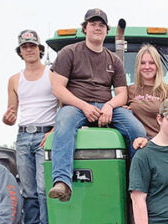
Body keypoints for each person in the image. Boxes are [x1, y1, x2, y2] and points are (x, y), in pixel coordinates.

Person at [48, 8, 146, 202]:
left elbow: (122, 94)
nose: (97, 28)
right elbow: (57, 89)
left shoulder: (114, 60)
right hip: (76, 106)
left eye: (101, 25)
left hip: (105, 105)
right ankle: (62, 182)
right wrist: (84, 106)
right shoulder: (70, 52)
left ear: (106, 30)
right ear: (85, 28)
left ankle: (137, 185)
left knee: (137, 130)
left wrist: (109, 106)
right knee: (64, 122)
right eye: (93, 24)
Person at [3, 29, 57, 224]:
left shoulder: (52, 75)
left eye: (33, 46)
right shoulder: (14, 80)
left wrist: (54, 132)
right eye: (25, 47)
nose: (30, 50)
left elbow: (64, 107)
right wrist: (7, 118)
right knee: (28, 191)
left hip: (46, 134)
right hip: (24, 136)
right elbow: (11, 112)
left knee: (44, 189)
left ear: (40, 49)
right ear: (20, 52)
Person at [127, 44, 168, 138]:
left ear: (157, 65)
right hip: (137, 144)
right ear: (138, 66)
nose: (147, 67)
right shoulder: (130, 90)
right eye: (142, 63)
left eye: (151, 63)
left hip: (160, 144)